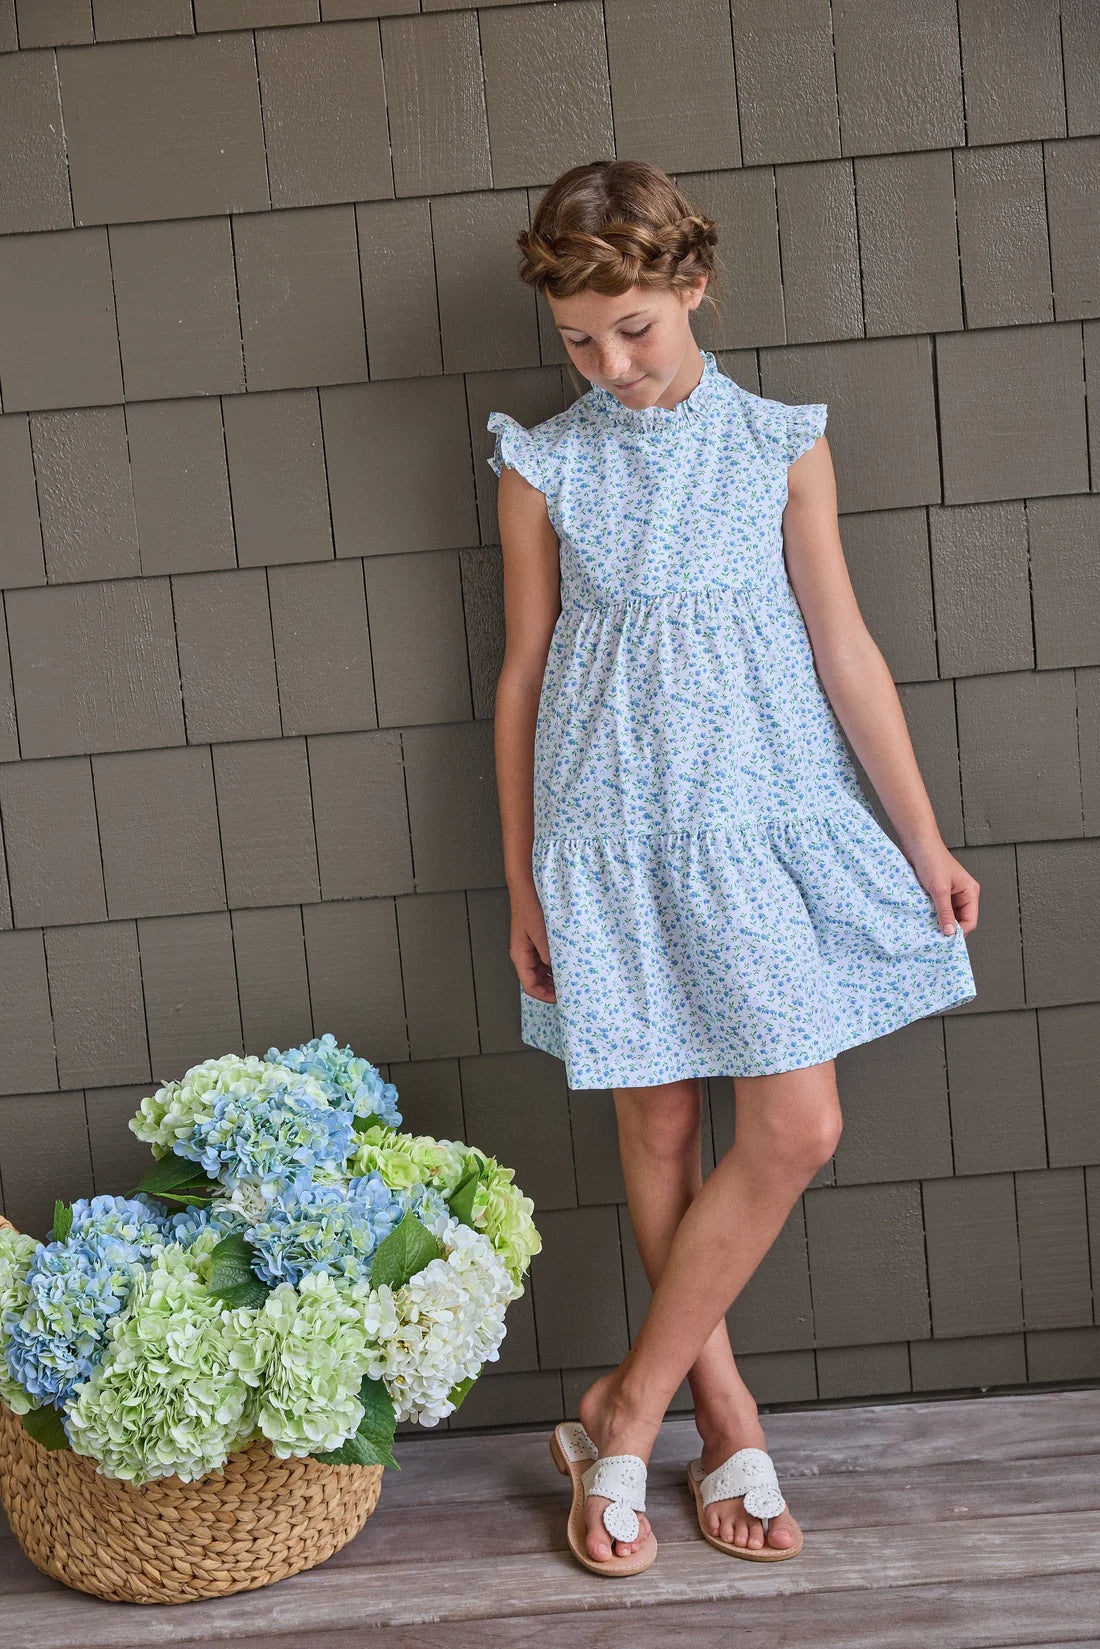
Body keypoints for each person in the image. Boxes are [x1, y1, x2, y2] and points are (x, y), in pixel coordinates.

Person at [487, 159, 980, 1577]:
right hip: (608, 834)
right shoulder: (543, 464)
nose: (611, 364)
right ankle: (725, 1416)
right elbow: (523, 675)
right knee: (658, 1131)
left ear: (694, 288)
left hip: (758, 824)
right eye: (579, 340)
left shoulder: (777, 445)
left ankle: (623, 1408)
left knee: (795, 1126)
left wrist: (923, 837)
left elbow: (845, 649)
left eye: (634, 328)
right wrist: (524, 882)